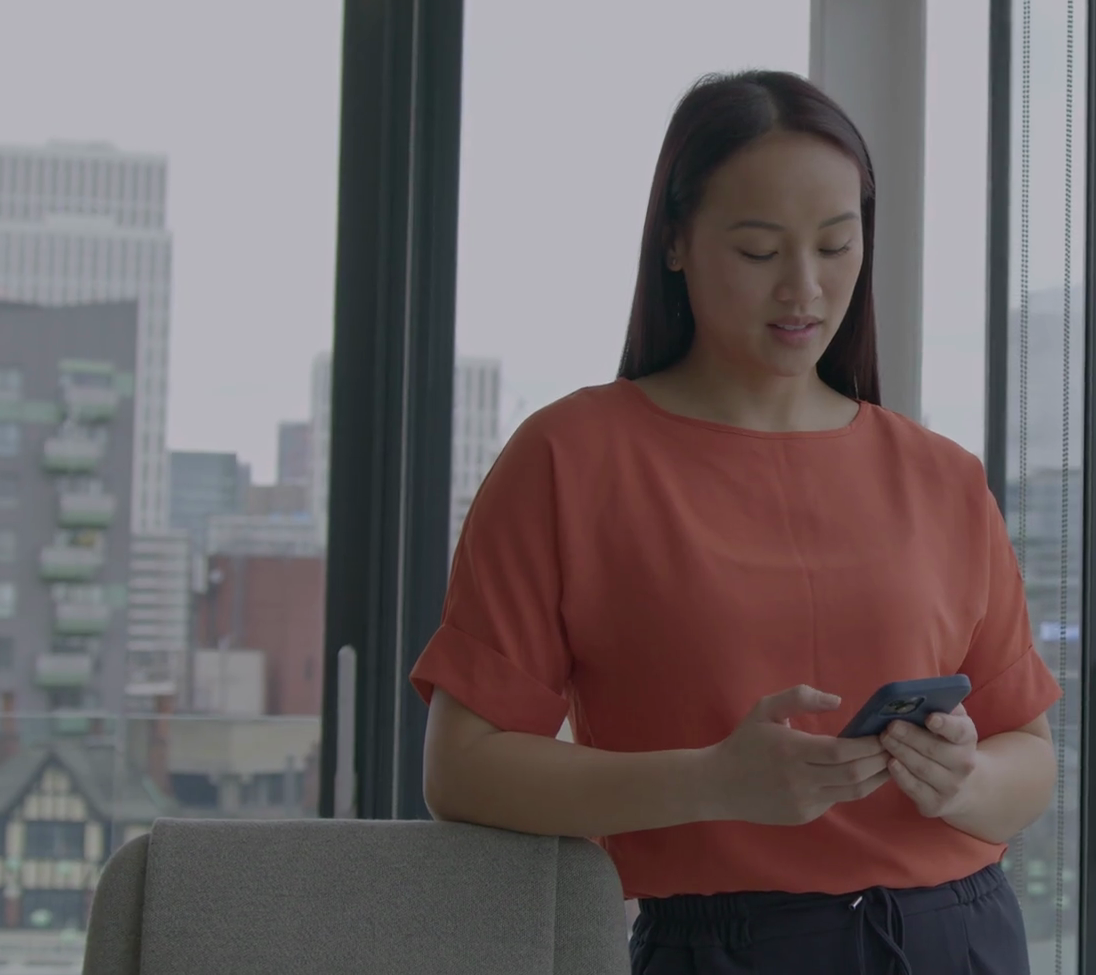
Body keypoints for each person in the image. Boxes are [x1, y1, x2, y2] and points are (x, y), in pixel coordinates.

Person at [410, 70, 1062, 975]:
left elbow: (1028, 756)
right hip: (720, 946)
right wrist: (712, 780)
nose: (804, 288)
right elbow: (462, 769)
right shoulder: (570, 457)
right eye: (759, 251)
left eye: (836, 245)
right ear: (674, 241)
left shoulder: (942, 475)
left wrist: (965, 777)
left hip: (963, 936)